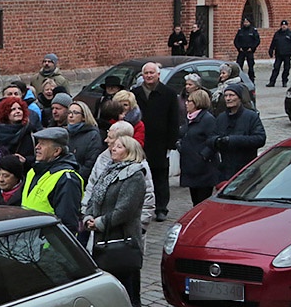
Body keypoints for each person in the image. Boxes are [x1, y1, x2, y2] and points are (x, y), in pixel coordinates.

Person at [82, 135, 147, 307]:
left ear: (129, 152)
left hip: (122, 235)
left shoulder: (135, 175)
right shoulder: (108, 171)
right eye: (114, 146)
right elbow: (94, 197)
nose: (113, 149)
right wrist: (88, 217)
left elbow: (126, 209)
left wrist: (101, 222)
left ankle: (129, 306)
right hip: (102, 234)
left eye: (119, 147)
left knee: (124, 272)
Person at [82, 121, 155, 229]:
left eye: (110, 137)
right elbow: (92, 187)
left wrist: (141, 227)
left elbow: (147, 198)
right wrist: (86, 214)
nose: (106, 140)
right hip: (97, 226)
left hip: (124, 231)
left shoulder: (138, 167)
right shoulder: (103, 158)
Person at [132, 62, 179, 222]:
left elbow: (174, 120)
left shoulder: (169, 94)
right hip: (140, 142)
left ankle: (161, 208)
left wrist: (171, 144)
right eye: (146, 73)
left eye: (152, 73)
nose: (149, 75)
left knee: (160, 178)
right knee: (140, 177)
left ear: (158, 74)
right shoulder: (135, 93)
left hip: (160, 143)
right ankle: (140, 207)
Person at [21, 127, 83, 236]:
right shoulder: (33, 171)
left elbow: (68, 225)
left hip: (48, 249)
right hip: (29, 244)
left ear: (57, 151)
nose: (37, 147)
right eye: (38, 143)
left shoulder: (66, 179)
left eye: (43, 144)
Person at [213, 84, 266, 181]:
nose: (228, 99)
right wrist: (217, 141)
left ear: (239, 98)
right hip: (226, 171)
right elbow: (211, 137)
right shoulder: (221, 118)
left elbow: (260, 139)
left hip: (246, 170)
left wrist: (233, 140)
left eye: (232, 95)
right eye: (226, 96)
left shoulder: (251, 116)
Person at [178, 90, 219, 205]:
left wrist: (203, 156)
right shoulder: (189, 119)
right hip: (191, 167)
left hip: (203, 170)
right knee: (195, 202)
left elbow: (213, 141)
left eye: (189, 101)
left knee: (202, 202)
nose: (186, 103)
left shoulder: (208, 119)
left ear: (197, 103)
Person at [0, 96, 36, 168]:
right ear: (5, 113)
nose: (18, 111)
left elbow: (38, 157)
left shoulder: (30, 131)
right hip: (4, 173)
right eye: (13, 109)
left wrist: (25, 160)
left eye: (20, 109)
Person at [67, 101, 103, 183]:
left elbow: (90, 164)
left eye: (75, 113)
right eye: (69, 112)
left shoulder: (93, 135)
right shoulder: (65, 133)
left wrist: (75, 179)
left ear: (84, 117)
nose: (71, 116)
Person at [267, 19, 291, 87]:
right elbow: (273, 43)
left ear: (287, 26)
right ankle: (272, 82)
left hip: (287, 55)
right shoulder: (277, 33)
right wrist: (271, 50)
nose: (283, 26)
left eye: (285, 25)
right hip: (278, 54)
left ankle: (284, 81)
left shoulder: (290, 34)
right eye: (282, 25)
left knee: (286, 69)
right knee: (276, 68)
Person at [234, 17, 261, 82]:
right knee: (239, 65)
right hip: (241, 51)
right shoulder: (240, 31)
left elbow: (257, 40)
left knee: (251, 66)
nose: (245, 23)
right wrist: (239, 47)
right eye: (244, 22)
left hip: (249, 51)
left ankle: (251, 79)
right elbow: (236, 41)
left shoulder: (253, 30)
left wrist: (252, 48)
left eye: (247, 22)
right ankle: (239, 78)